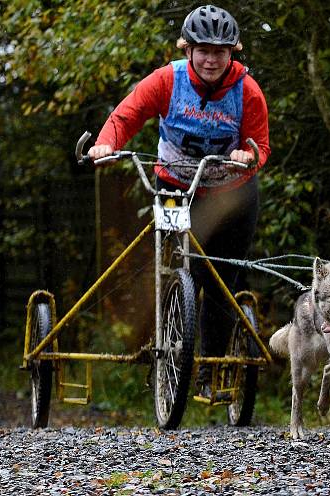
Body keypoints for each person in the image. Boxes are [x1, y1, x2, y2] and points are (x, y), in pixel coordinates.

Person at [88, 5, 270, 399]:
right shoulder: (166, 80)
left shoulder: (246, 90)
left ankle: (209, 373)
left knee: (220, 279)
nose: (210, 59)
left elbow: (260, 145)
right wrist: (106, 143)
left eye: (220, 52)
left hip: (231, 194)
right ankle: (167, 348)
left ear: (232, 53)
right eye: (203, 50)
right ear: (187, 50)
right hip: (175, 185)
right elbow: (127, 115)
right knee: (171, 267)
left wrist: (248, 156)